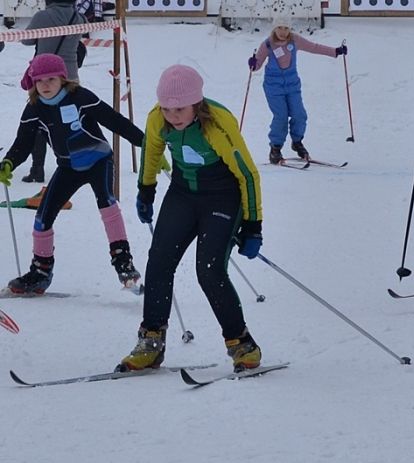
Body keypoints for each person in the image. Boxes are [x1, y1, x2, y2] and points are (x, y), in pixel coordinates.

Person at [117, 65, 264, 372]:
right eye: (167, 108)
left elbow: (248, 174)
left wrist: (253, 226)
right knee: (159, 262)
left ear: (197, 103)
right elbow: (151, 151)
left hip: (223, 196)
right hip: (183, 193)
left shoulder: (218, 123)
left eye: (180, 109)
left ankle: (242, 343)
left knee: (209, 270)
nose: (172, 116)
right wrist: (146, 190)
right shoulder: (157, 119)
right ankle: (151, 343)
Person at [0, 54, 143, 294]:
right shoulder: (34, 109)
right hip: (68, 168)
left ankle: (123, 262)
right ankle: (40, 272)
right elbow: (23, 144)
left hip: (99, 160)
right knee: (43, 218)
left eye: (51, 79)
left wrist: (146, 143)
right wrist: (8, 163)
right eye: (40, 80)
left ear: (63, 79)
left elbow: (114, 121)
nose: (45, 85)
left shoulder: (80, 97)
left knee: (107, 204)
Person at [248, 16, 348, 164]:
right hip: (273, 87)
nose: (283, 32)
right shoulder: (268, 44)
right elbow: (256, 67)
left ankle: (297, 142)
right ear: (274, 29)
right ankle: (275, 148)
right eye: (280, 28)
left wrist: (335, 51)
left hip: (292, 86)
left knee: (299, 115)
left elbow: (314, 47)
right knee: (281, 117)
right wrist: (253, 63)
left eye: (286, 28)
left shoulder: (294, 40)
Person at [21, 0, 87, 183]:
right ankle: (77, 161)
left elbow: (26, 39)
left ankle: (37, 168)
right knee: (70, 121)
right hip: (70, 77)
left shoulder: (43, 16)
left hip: (43, 78)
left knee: (38, 120)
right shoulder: (79, 17)